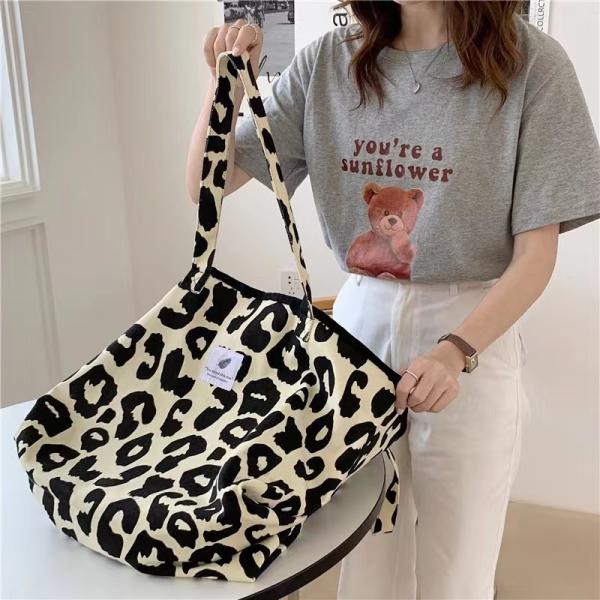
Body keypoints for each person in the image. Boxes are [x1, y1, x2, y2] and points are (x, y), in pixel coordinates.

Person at [187, 2, 600, 598]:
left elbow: (536, 255)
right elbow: (206, 186)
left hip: (470, 327)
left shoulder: (531, 63)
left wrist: (455, 351)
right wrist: (223, 84)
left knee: (458, 562)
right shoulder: (329, 61)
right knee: (364, 550)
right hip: (357, 326)